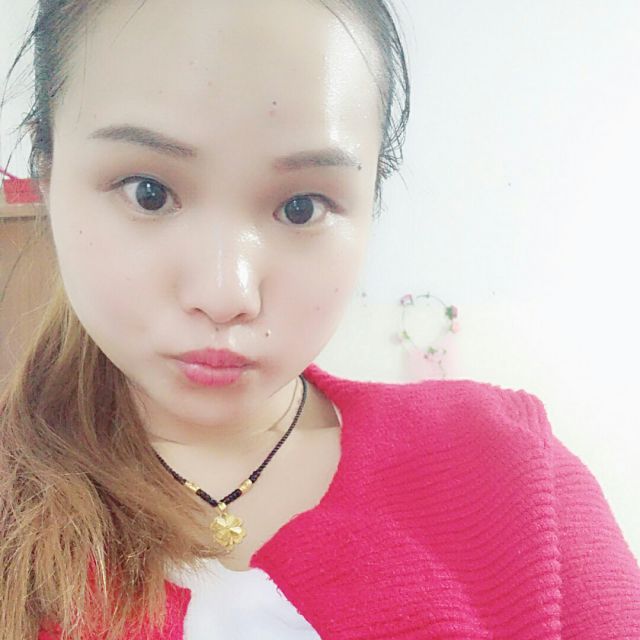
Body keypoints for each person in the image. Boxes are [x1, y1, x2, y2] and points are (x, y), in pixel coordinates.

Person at [0, 0, 639, 638]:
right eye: (149, 192)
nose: (226, 294)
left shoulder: (510, 473)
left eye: (301, 207)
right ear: (47, 177)